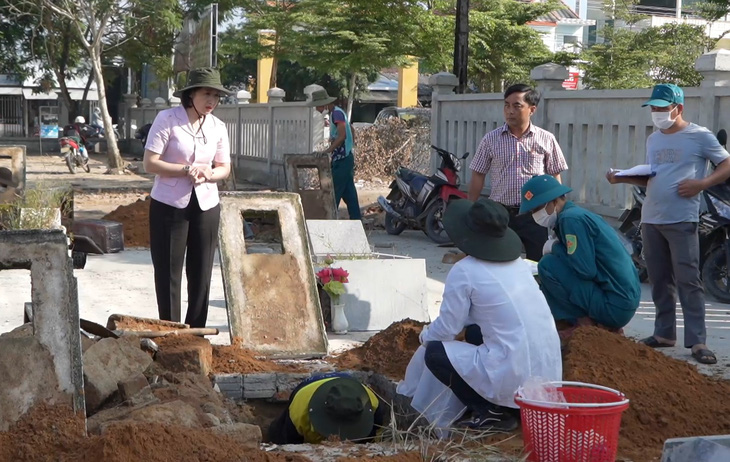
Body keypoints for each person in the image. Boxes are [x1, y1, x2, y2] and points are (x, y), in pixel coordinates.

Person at [396, 199, 562, 433]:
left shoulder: (464, 271)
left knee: (434, 353)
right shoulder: (518, 264)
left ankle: (491, 412)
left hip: (513, 371)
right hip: (546, 376)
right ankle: (512, 407)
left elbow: (446, 330)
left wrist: (425, 336)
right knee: (475, 331)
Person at [607, 83, 730, 365]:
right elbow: (651, 176)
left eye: (662, 108)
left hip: (682, 218)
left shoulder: (699, 136)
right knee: (660, 280)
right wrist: (622, 176)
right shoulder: (654, 139)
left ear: (678, 108)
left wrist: (702, 183)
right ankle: (664, 334)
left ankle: (698, 341)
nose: (657, 113)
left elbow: (726, 164)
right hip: (652, 217)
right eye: (654, 108)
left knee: (689, 280)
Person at [142, 67, 233, 327]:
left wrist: (209, 173)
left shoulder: (218, 126)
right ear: (190, 94)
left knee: (202, 271)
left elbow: (224, 168)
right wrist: (184, 170)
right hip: (169, 205)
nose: (211, 101)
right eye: (206, 94)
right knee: (169, 272)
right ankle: (170, 332)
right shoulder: (167, 119)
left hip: (206, 203)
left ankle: (196, 333)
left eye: (216, 96)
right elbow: (150, 163)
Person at [519, 175, 641, 331]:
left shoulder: (571, 220)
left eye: (537, 208)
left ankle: (580, 324)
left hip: (614, 306)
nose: (535, 214)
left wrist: (554, 247)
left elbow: (585, 270)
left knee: (547, 265)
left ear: (554, 201)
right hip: (622, 302)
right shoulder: (575, 215)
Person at [468, 84, 568, 262]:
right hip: (499, 214)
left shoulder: (546, 139)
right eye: (506, 105)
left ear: (532, 109)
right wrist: (470, 207)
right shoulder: (491, 139)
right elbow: (478, 174)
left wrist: (559, 212)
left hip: (535, 215)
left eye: (517, 106)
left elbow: (554, 176)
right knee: (495, 262)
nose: (510, 111)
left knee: (538, 264)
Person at [268, 373, 385, 444]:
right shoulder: (299, 410)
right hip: (308, 387)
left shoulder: (372, 403)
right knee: (277, 434)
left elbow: (372, 439)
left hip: (349, 381)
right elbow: (291, 444)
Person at [311, 89, 361, 220]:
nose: (316, 109)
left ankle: (328, 222)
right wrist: (351, 146)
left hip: (343, 160)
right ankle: (357, 222)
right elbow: (351, 129)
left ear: (324, 104)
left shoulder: (336, 114)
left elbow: (342, 136)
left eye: (317, 106)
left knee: (333, 193)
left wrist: (327, 151)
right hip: (345, 157)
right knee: (350, 195)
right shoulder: (337, 112)